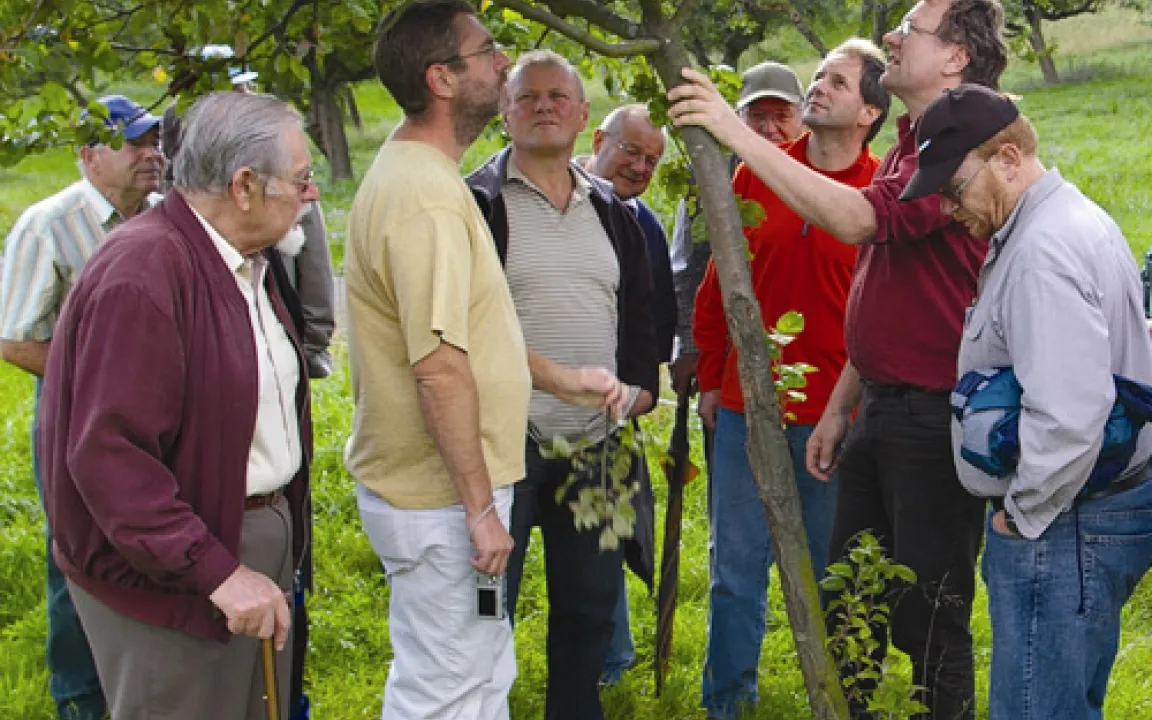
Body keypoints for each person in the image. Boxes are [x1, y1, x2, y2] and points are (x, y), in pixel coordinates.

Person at [667, 1, 1008, 716]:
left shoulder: (968, 139)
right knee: (854, 594)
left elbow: (860, 220)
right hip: (876, 407)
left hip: (930, 417)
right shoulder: (917, 138)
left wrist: (732, 130)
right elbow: (877, 291)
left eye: (908, 29)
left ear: (952, 58)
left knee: (927, 612)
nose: (891, 36)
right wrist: (839, 406)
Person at [346, 6, 628, 719]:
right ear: (442, 78)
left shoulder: (422, 176)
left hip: (445, 495)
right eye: (488, 53)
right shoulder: (431, 200)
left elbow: (475, 334)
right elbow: (438, 367)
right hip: (442, 501)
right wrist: (478, 511)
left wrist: (565, 380)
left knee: (477, 679)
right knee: (445, 691)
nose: (503, 65)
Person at [37, 90, 316, 719]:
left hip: (237, 542)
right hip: (173, 571)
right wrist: (217, 572)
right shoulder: (143, 273)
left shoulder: (244, 260)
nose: (312, 194)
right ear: (244, 185)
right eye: (301, 179)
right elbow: (110, 457)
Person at [904, 84, 1152, 719]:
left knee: (1036, 707)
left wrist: (1023, 512)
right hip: (1084, 512)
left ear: (1008, 159)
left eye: (953, 186)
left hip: (1065, 518)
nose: (946, 204)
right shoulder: (1056, 221)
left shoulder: (1043, 250)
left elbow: (1070, 412)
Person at [692, 39, 890, 720]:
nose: (818, 86)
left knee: (836, 573)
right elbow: (722, 281)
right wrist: (713, 377)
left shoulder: (882, 190)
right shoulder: (757, 176)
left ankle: (839, 701)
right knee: (734, 572)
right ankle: (727, 703)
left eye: (836, 80)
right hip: (751, 405)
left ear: (870, 109)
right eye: (817, 75)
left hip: (840, 415)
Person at [465, 50, 660, 720]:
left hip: (596, 449)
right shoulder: (478, 204)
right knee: (488, 611)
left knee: (589, 609)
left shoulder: (615, 213)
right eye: (528, 96)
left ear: (583, 117)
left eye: (558, 96)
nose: (544, 105)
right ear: (504, 112)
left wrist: (638, 392)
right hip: (504, 444)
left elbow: (640, 322)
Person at [0, 92, 164, 720]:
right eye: (134, 143)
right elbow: (17, 339)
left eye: (155, 141)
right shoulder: (50, 223)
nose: (151, 155)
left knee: (148, 541)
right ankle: (80, 698)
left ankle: (145, 682)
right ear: (89, 155)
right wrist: (100, 378)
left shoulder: (165, 214)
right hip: (77, 413)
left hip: (155, 412)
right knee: (76, 550)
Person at [582, 102, 675, 685]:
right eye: (630, 151)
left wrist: (642, 389)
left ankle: (610, 661)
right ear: (598, 139)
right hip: (527, 401)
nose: (640, 167)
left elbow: (657, 318)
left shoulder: (645, 223)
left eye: (652, 159)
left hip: (607, 412)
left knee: (605, 536)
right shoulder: (547, 200)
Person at [668, 61, 805, 397]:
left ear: (802, 118)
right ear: (737, 119)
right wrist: (690, 347)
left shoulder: (816, 176)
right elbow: (688, 265)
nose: (769, 127)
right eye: (757, 116)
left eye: (781, 115)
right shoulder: (712, 174)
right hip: (727, 349)